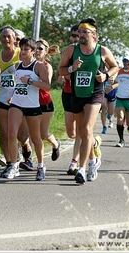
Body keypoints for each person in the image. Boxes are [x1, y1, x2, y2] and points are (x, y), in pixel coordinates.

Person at [58, 18, 119, 184]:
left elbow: (115, 67)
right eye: (79, 31)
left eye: (85, 32)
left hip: (95, 94)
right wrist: (72, 68)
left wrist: (106, 76)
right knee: (84, 133)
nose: (81, 34)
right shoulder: (71, 50)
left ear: (94, 35)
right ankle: (93, 161)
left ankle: (82, 170)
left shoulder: (102, 51)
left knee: (86, 128)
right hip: (77, 94)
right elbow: (61, 70)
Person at [4, 37, 51, 180]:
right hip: (17, 104)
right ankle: (13, 165)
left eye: (26, 49)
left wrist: (31, 81)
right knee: (12, 134)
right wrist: (12, 95)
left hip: (32, 106)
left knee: (36, 138)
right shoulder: (17, 66)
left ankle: (41, 166)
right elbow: (17, 83)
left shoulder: (38, 66)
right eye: (21, 49)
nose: (23, 52)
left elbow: (47, 85)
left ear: (33, 51)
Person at [0, 25, 33, 175]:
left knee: (20, 134)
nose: (6, 39)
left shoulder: (20, 55)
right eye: (3, 36)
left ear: (15, 39)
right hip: (3, 99)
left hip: (19, 100)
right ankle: (10, 163)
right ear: (0, 39)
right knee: (3, 132)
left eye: (9, 36)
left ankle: (25, 143)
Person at [56, 24, 82, 175]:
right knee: (71, 133)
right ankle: (93, 143)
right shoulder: (68, 51)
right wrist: (69, 73)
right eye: (73, 35)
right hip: (68, 93)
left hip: (83, 95)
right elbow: (61, 72)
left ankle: (75, 161)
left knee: (81, 131)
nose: (76, 38)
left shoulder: (90, 51)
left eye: (78, 35)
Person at [35, 39, 61, 161]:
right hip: (30, 102)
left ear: (46, 52)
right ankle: (27, 159)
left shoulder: (47, 66)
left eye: (40, 48)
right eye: (35, 48)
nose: (37, 50)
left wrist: (31, 81)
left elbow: (47, 83)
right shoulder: (29, 64)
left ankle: (56, 144)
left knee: (43, 134)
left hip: (45, 103)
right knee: (29, 133)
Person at [100, 65, 117, 134]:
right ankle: (104, 127)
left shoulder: (115, 73)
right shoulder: (102, 72)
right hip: (104, 93)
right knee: (104, 107)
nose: (105, 68)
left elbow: (118, 83)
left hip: (112, 94)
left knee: (111, 111)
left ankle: (109, 115)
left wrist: (112, 86)